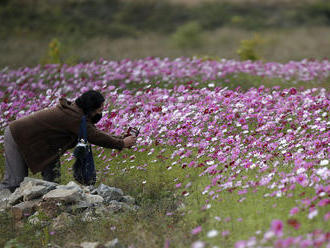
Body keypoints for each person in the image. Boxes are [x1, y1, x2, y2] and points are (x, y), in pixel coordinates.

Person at [0, 90, 137, 192]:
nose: (100, 114)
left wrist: (121, 138)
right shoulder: (74, 117)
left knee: (53, 181)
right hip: (17, 135)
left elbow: (94, 131)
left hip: (45, 145)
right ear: (90, 108)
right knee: (14, 182)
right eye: (99, 110)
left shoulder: (76, 112)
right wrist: (122, 143)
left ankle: (50, 206)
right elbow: (94, 136)